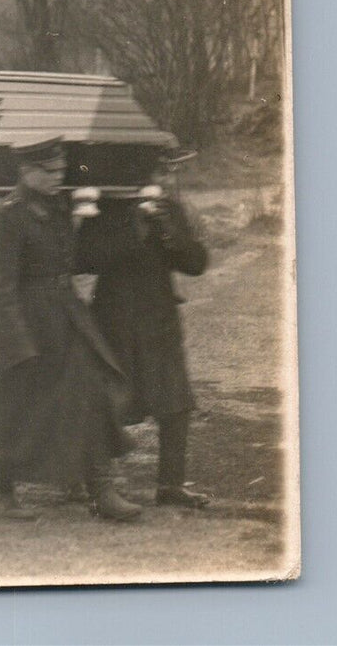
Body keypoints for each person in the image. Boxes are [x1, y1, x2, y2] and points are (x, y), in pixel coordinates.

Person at [0, 136, 139, 522]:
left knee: (88, 393)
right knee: (11, 409)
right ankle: (1, 493)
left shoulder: (57, 207)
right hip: (24, 323)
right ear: (27, 171)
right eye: (51, 170)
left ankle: (100, 488)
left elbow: (69, 262)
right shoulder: (9, 215)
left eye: (61, 169)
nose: (60, 176)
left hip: (64, 317)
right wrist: (16, 341)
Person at [77, 154, 211, 508]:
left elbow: (196, 263)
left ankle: (170, 486)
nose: (161, 176)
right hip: (114, 322)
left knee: (176, 405)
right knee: (110, 405)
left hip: (159, 321)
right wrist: (134, 228)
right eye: (155, 169)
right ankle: (99, 487)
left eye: (164, 170)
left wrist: (170, 230)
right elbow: (84, 259)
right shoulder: (106, 208)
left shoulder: (170, 208)